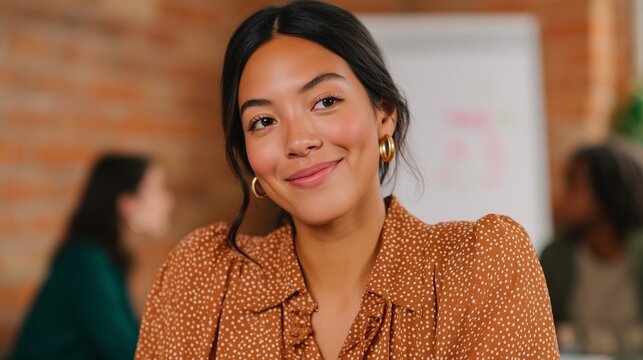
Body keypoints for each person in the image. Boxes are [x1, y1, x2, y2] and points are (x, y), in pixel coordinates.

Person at [135, 1, 558, 358]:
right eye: (263, 121)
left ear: (384, 116)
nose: (298, 141)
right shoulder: (204, 279)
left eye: (325, 101)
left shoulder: (480, 268)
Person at [11, 154, 174, 360]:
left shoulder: (100, 259)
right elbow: (129, 352)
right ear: (127, 204)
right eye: (158, 190)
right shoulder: (86, 263)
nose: (169, 201)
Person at [541, 140, 643, 355]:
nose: (562, 197)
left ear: (609, 193)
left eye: (573, 185)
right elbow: (542, 334)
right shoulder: (555, 257)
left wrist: (579, 338)